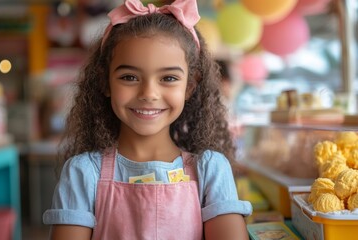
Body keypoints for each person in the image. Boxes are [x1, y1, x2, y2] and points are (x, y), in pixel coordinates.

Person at [43, 0, 252, 239]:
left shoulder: (211, 170)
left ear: (190, 86)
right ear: (105, 82)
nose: (148, 94)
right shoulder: (83, 173)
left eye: (169, 78)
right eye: (130, 77)